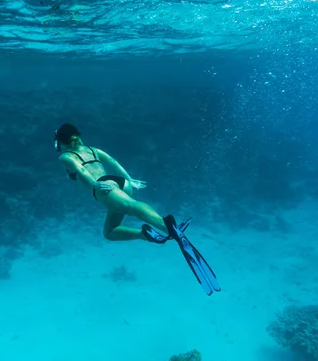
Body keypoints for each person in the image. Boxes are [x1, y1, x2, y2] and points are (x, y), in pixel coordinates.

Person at [54, 123, 222, 295]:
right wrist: (130, 180)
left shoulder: (65, 156)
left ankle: (168, 227)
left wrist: (94, 184)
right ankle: (146, 235)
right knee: (110, 232)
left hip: (104, 187)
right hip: (121, 183)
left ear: (60, 141)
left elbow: (81, 169)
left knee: (131, 207)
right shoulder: (92, 149)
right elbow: (112, 161)